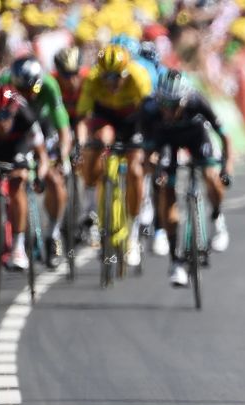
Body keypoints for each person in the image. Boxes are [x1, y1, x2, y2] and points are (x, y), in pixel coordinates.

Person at [140, 69, 234, 286]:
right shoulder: (150, 109)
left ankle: (218, 220)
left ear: (185, 100)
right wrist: (155, 172)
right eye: (164, 104)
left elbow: (225, 136)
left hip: (196, 136)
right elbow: (146, 154)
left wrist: (225, 169)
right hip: (166, 143)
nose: (168, 110)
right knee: (167, 193)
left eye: (174, 105)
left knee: (211, 175)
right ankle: (175, 262)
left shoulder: (197, 102)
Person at [76, 44, 153, 267]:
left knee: (136, 170)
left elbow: (151, 117)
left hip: (134, 120)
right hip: (106, 118)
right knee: (96, 146)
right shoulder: (92, 79)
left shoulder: (139, 77)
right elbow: (83, 118)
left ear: (126, 72)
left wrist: (150, 149)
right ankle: (92, 209)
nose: (111, 83)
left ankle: (134, 234)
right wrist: (82, 146)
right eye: (106, 77)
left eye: (117, 77)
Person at [0, 56, 72, 269]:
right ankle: (13, 242)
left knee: (55, 180)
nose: (27, 95)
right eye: (21, 91)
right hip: (15, 129)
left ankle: (53, 235)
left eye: (32, 91)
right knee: (14, 178)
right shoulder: (4, 84)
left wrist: (64, 157)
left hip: (43, 127)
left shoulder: (49, 85)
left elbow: (63, 126)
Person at [0, 85, 49, 270]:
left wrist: (39, 177)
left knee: (18, 182)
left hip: (17, 149)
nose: (1, 122)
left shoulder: (26, 118)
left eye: (5, 116)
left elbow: (42, 157)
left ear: (14, 112)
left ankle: (18, 247)